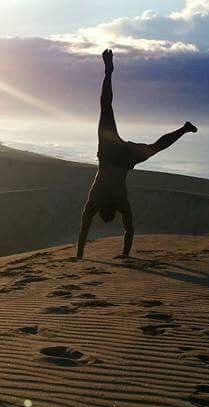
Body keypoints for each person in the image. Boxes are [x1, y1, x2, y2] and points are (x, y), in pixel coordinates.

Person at [76, 49, 197, 259]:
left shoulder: (104, 202)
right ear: (107, 210)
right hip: (114, 155)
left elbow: (115, 229)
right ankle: (108, 72)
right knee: (109, 110)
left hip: (118, 156)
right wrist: (122, 254)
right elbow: (124, 229)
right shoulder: (103, 201)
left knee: (153, 145)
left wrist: (81, 255)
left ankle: (184, 129)